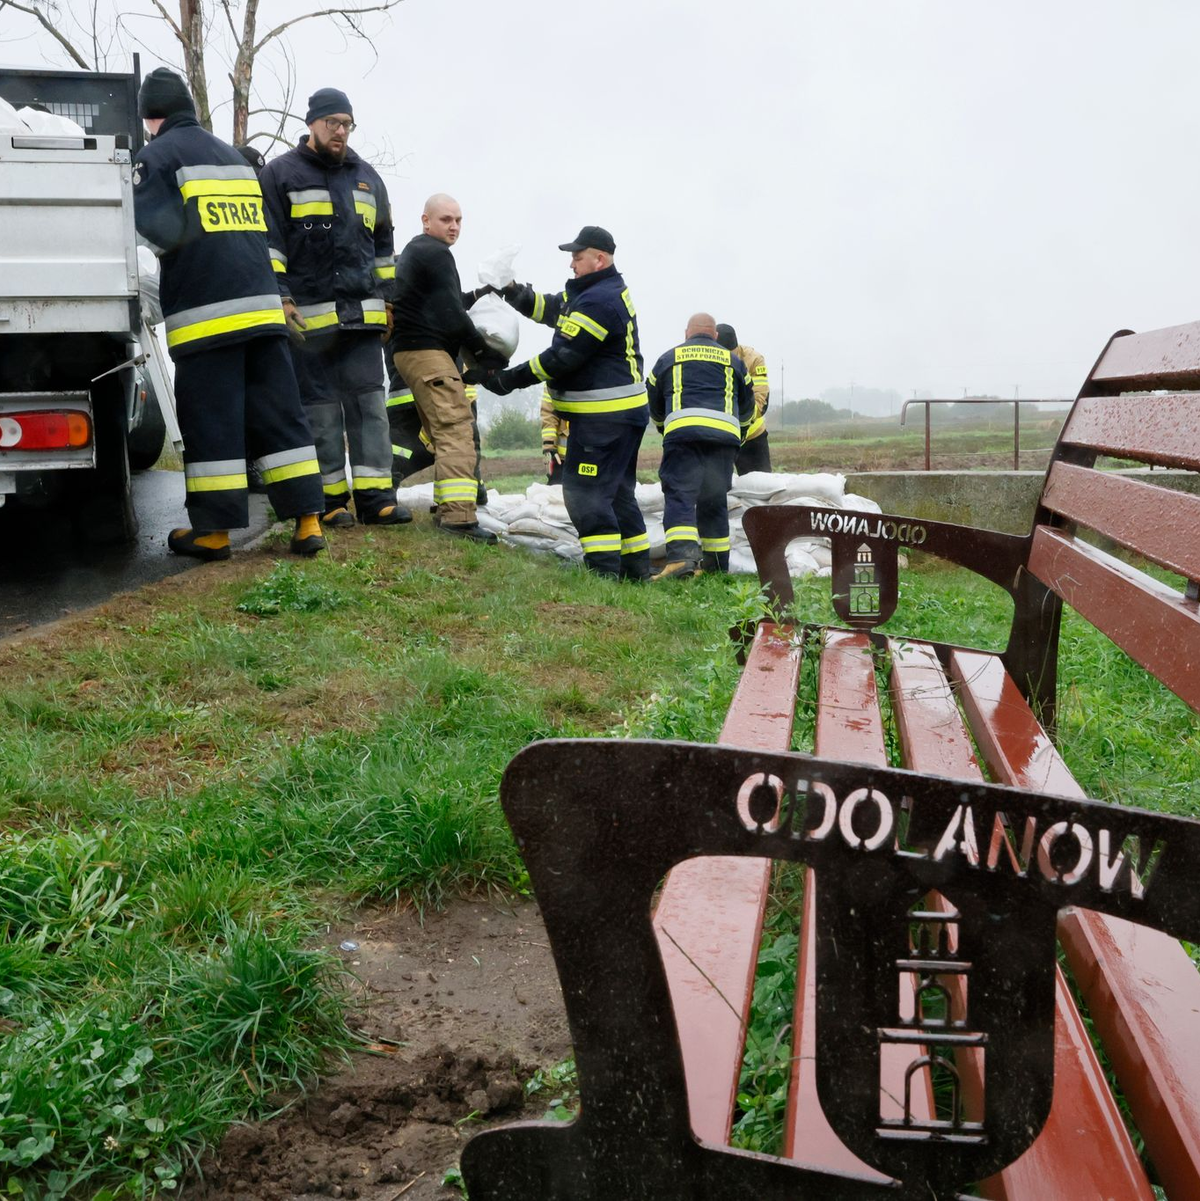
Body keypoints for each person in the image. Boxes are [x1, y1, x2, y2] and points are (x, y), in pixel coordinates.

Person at [131, 67, 325, 561]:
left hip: (207, 316)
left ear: (151, 118)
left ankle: (214, 534)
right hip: (261, 312)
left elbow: (150, 228)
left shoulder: (155, 156)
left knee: (213, 423)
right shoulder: (232, 157)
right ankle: (307, 521)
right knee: (281, 416)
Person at [259, 87, 407, 528]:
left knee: (370, 409)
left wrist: (389, 302)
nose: (341, 132)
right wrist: (281, 298)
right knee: (321, 413)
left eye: (347, 124)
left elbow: (384, 248)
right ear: (312, 125)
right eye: (333, 124)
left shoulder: (368, 177)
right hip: (311, 323)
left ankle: (376, 497)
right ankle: (332, 501)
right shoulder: (279, 175)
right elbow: (270, 246)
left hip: (363, 319)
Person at [487, 226, 650, 580]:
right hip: (616, 417)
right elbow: (549, 308)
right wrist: (511, 290)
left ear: (599, 259)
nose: (572, 265)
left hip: (604, 419)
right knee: (618, 493)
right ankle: (636, 571)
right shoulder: (591, 293)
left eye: (577, 258)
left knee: (584, 494)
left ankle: (604, 575)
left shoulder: (599, 301)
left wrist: (505, 380)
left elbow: (562, 357)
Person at [389, 193, 502, 541]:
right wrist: (485, 354)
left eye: (458, 220)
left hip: (412, 352)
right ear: (426, 220)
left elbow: (443, 304)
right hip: (428, 353)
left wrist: (478, 295)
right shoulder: (435, 253)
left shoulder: (419, 253)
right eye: (445, 220)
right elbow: (452, 316)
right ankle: (458, 519)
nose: (453, 226)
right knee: (456, 429)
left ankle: (444, 507)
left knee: (439, 434)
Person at [647, 313, 755, 579]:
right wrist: (737, 436)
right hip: (723, 441)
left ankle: (681, 561)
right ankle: (717, 566)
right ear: (715, 335)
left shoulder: (668, 359)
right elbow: (748, 407)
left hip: (683, 436)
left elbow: (654, 401)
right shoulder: (735, 362)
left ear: (687, 333)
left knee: (681, 494)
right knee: (714, 498)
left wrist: (664, 428)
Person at [716, 323, 772, 475]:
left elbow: (760, 400)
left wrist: (742, 427)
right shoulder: (705, 361)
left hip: (751, 436)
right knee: (714, 491)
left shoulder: (754, 360)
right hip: (717, 437)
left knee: (762, 487)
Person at [540, 387, 567, 485]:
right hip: (562, 459)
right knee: (556, 494)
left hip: (595, 454)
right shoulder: (554, 377)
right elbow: (549, 415)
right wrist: (549, 446)